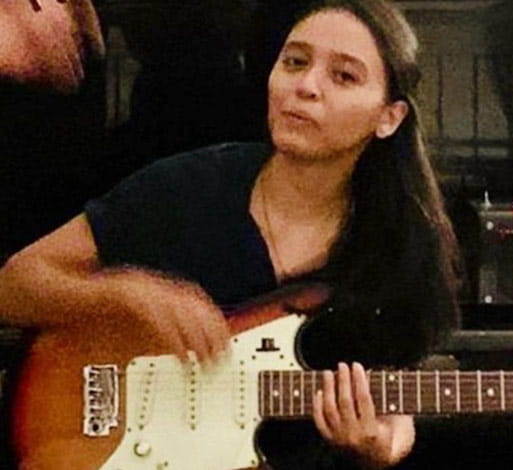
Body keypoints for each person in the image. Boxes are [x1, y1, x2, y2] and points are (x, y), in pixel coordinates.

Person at [0, 0, 461, 468]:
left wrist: (384, 444)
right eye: (294, 62)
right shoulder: (186, 187)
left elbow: (398, 391)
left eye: (343, 76)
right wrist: (124, 295)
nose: (305, 86)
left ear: (389, 117)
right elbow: (12, 286)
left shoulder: (402, 244)